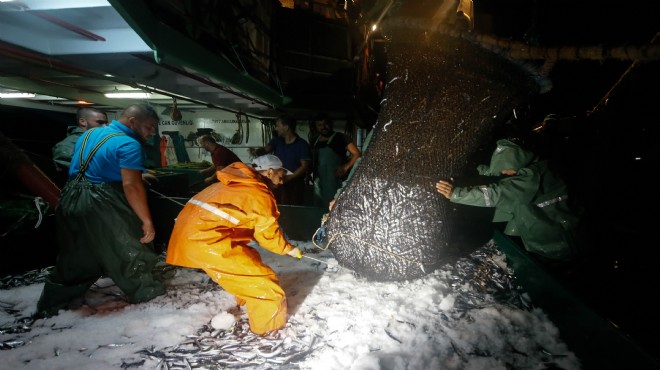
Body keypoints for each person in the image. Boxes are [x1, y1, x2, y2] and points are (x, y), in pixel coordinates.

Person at [36, 103, 166, 317]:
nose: (152, 132)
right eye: (149, 126)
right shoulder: (128, 144)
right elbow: (131, 186)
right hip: (102, 201)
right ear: (133, 121)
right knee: (129, 247)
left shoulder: (90, 134)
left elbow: (96, 165)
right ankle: (148, 296)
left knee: (76, 254)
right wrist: (147, 221)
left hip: (70, 198)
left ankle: (52, 304)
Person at [165, 154, 303, 335]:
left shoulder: (229, 184)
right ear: (269, 172)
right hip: (207, 241)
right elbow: (268, 236)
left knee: (250, 258)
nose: (282, 180)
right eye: (280, 174)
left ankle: (245, 298)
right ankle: (268, 334)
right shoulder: (258, 194)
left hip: (197, 236)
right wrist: (289, 249)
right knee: (267, 289)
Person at [435, 138, 582, 262]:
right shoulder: (532, 166)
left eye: (506, 172)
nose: (503, 175)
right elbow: (491, 173)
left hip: (561, 243)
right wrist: (464, 175)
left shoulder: (532, 176)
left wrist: (456, 193)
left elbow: (499, 193)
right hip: (539, 234)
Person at [250, 116, 311, 205]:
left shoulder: (302, 144)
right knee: (278, 205)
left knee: (294, 206)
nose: (276, 128)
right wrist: (256, 151)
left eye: (278, 126)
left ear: (286, 127)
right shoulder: (277, 141)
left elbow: (305, 166)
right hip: (278, 181)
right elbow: (265, 150)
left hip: (295, 183)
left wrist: (289, 177)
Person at [310, 114, 362, 208]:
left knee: (333, 207)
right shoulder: (314, 140)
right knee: (317, 207)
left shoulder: (341, 137)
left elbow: (357, 154)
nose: (323, 127)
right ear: (316, 127)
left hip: (333, 180)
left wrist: (345, 167)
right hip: (318, 181)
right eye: (320, 125)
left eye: (325, 124)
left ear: (330, 124)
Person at [52, 107, 108, 173]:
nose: (105, 126)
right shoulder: (69, 144)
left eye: (106, 123)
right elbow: (68, 169)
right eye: (100, 122)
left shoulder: (96, 140)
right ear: (82, 122)